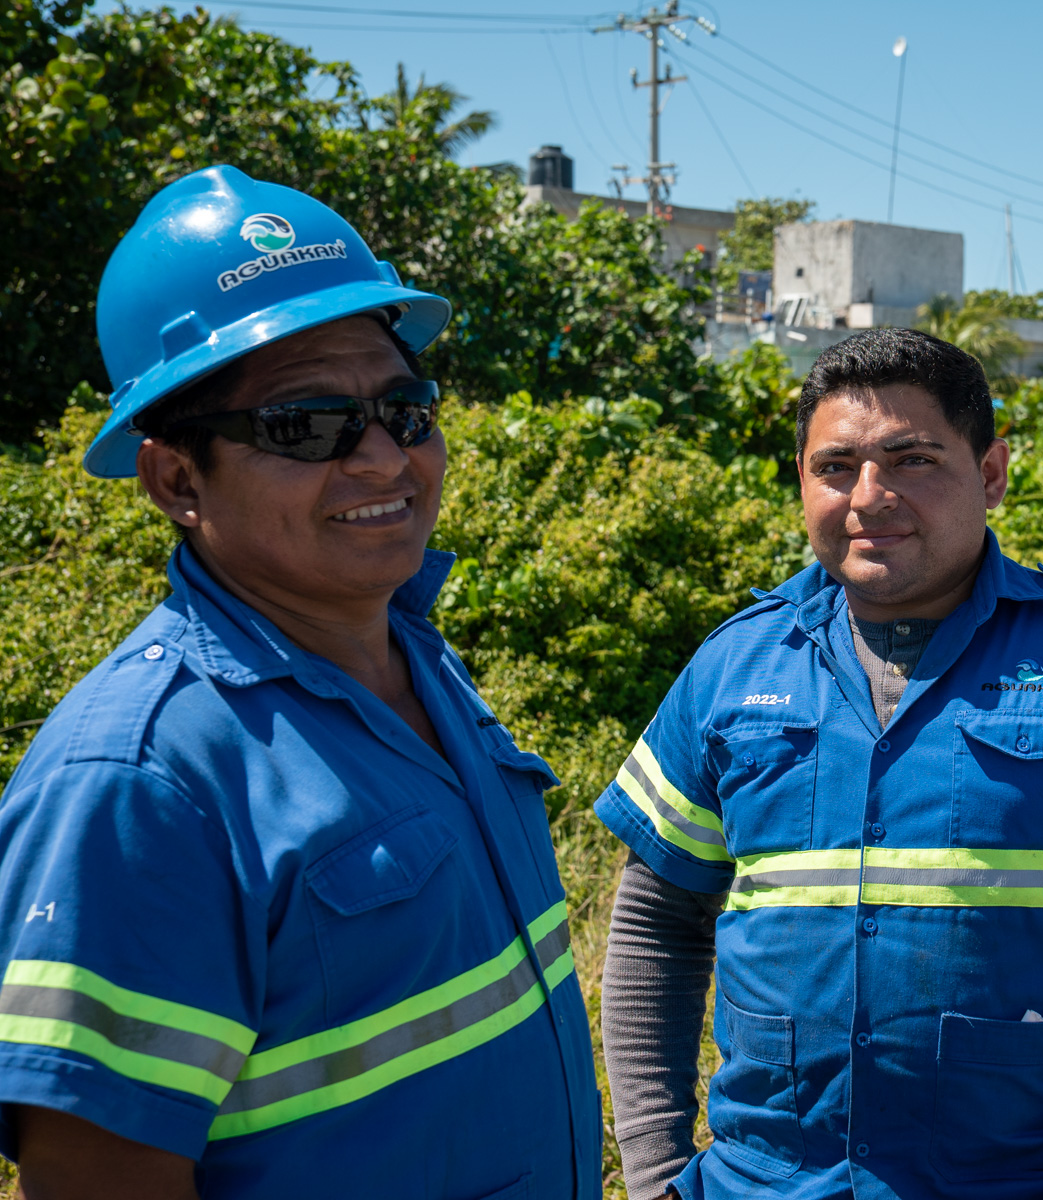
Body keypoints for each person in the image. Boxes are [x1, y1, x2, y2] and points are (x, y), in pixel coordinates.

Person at [0, 166, 601, 1197]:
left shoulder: (414, 655)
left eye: (405, 409)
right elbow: (99, 1177)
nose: (382, 459)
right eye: (305, 424)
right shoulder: (139, 783)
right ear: (177, 479)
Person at [594, 328, 1043, 1200]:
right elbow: (654, 928)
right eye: (835, 466)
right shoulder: (735, 665)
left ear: (992, 472)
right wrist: (656, 1171)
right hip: (758, 1185)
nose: (869, 496)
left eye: (912, 458)